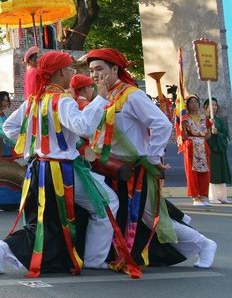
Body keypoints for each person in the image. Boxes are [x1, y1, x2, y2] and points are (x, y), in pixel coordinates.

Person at [0, 51, 127, 277]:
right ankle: (94, 258)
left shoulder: (33, 101)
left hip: (38, 168)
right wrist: (100, 98)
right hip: (63, 171)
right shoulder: (63, 100)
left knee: (46, 220)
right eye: (70, 69)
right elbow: (84, 127)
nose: (72, 73)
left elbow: (9, 128)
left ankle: (4, 248)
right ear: (61, 72)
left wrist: (34, 146)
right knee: (108, 202)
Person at [86, 48, 216, 269]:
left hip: (135, 170)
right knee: (118, 216)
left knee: (150, 217)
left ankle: (203, 244)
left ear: (114, 69)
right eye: (91, 70)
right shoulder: (104, 97)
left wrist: (153, 156)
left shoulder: (132, 95)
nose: (94, 75)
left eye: (99, 69)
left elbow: (161, 124)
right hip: (111, 169)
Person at [180, 96, 211, 206]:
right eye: (191, 102)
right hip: (191, 145)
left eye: (196, 102)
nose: (194, 104)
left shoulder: (204, 117)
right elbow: (184, 135)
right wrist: (182, 127)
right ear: (187, 105)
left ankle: (203, 196)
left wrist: (203, 138)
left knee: (205, 171)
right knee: (192, 172)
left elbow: (208, 134)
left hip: (202, 144)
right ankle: (195, 197)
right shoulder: (185, 118)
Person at [206, 98, 230, 204]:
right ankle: (213, 197)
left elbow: (225, 135)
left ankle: (222, 196)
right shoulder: (204, 120)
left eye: (215, 105)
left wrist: (218, 134)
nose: (214, 107)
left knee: (221, 171)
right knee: (213, 172)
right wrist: (209, 129)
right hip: (210, 150)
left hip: (220, 149)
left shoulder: (219, 121)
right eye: (211, 105)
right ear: (206, 107)